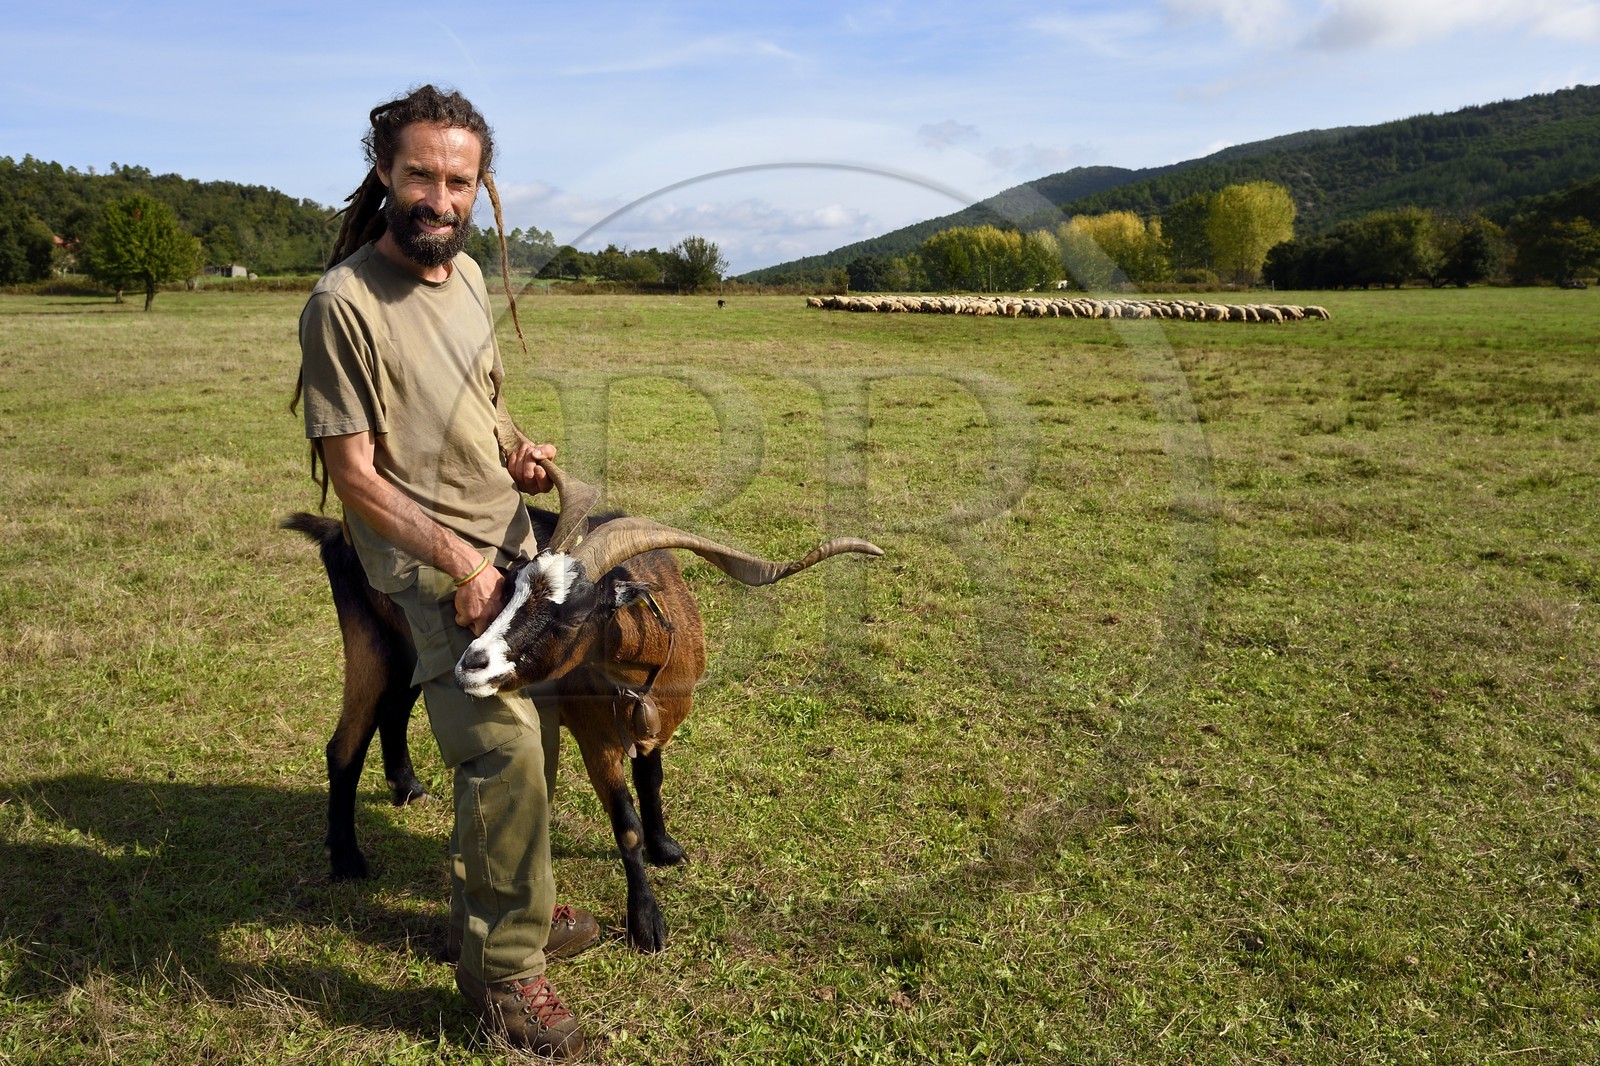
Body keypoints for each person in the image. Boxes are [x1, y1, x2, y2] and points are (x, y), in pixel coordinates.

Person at [295, 85, 594, 1059]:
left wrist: (517, 448)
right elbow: (353, 476)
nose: (438, 196)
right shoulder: (343, 304)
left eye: (457, 180)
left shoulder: (462, 278)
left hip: (507, 548)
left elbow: (482, 400)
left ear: (480, 186)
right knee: (501, 751)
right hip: (427, 570)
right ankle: (505, 978)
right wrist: (459, 559)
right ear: (384, 171)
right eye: (419, 174)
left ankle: (493, 914)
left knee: (532, 745)